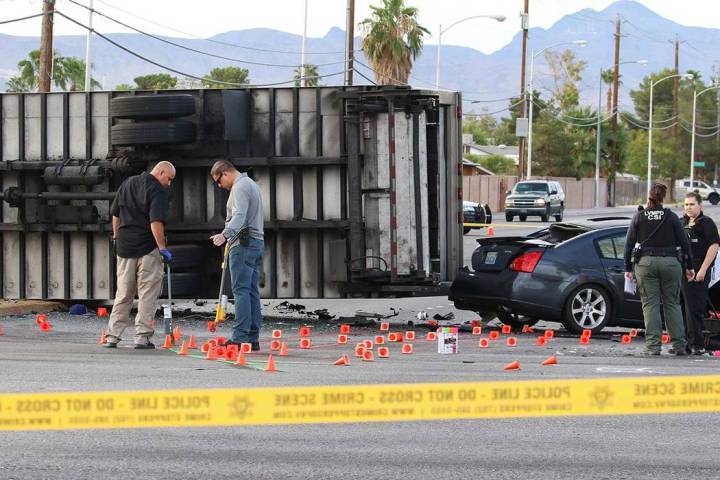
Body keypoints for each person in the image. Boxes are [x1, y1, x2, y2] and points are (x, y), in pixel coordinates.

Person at [104, 161, 175, 349]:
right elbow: (155, 222)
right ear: (160, 172)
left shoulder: (127, 183)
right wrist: (162, 248)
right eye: (169, 179)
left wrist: (116, 237)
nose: (168, 183)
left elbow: (115, 214)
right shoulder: (157, 190)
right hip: (147, 248)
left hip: (125, 246)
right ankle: (142, 337)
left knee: (123, 293)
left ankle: (112, 336)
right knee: (147, 294)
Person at [624, 183, 694, 356]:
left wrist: (628, 267)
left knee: (651, 305)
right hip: (671, 263)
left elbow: (628, 244)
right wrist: (690, 266)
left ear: (650, 196)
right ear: (664, 198)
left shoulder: (639, 216)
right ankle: (679, 345)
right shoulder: (671, 217)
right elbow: (684, 243)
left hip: (646, 264)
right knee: (672, 304)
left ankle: (653, 346)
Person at [209, 160, 264, 350]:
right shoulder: (252, 185)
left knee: (240, 291)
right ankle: (252, 338)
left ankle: (240, 338)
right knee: (251, 292)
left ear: (225, 173)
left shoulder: (239, 188)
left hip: (242, 244)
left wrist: (224, 235)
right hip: (256, 243)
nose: (219, 185)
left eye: (218, 180)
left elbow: (239, 215)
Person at [681, 191, 719, 355]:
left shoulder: (706, 223)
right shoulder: (681, 223)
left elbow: (714, 246)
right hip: (683, 269)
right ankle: (686, 343)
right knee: (684, 308)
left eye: (692, 204)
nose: (688, 207)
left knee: (695, 308)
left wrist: (703, 269)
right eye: (686, 204)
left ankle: (698, 344)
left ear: (700, 206)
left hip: (699, 268)